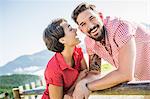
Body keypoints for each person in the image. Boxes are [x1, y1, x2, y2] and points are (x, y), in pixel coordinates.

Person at [71, 2, 150, 99]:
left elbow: (125, 74)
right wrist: (82, 83)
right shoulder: (89, 42)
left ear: (100, 16)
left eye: (92, 18)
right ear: (81, 30)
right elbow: (94, 72)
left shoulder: (120, 27)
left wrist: (87, 86)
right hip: (145, 83)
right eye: (83, 24)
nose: (91, 26)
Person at [42, 18, 89, 99]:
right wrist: (78, 80)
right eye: (70, 29)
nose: (76, 29)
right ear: (62, 40)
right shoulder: (53, 70)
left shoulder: (77, 51)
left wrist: (70, 92)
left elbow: (85, 73)